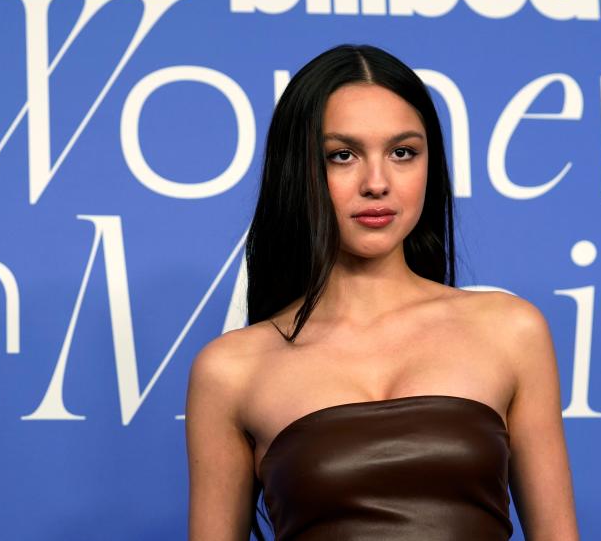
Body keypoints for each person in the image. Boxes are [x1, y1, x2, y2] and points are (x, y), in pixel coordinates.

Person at [186, 44, 579, 540]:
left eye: (403, 153)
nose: (377, 183)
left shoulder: (510, 330)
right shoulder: (230, 370)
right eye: (342, 155)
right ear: (298, 169)